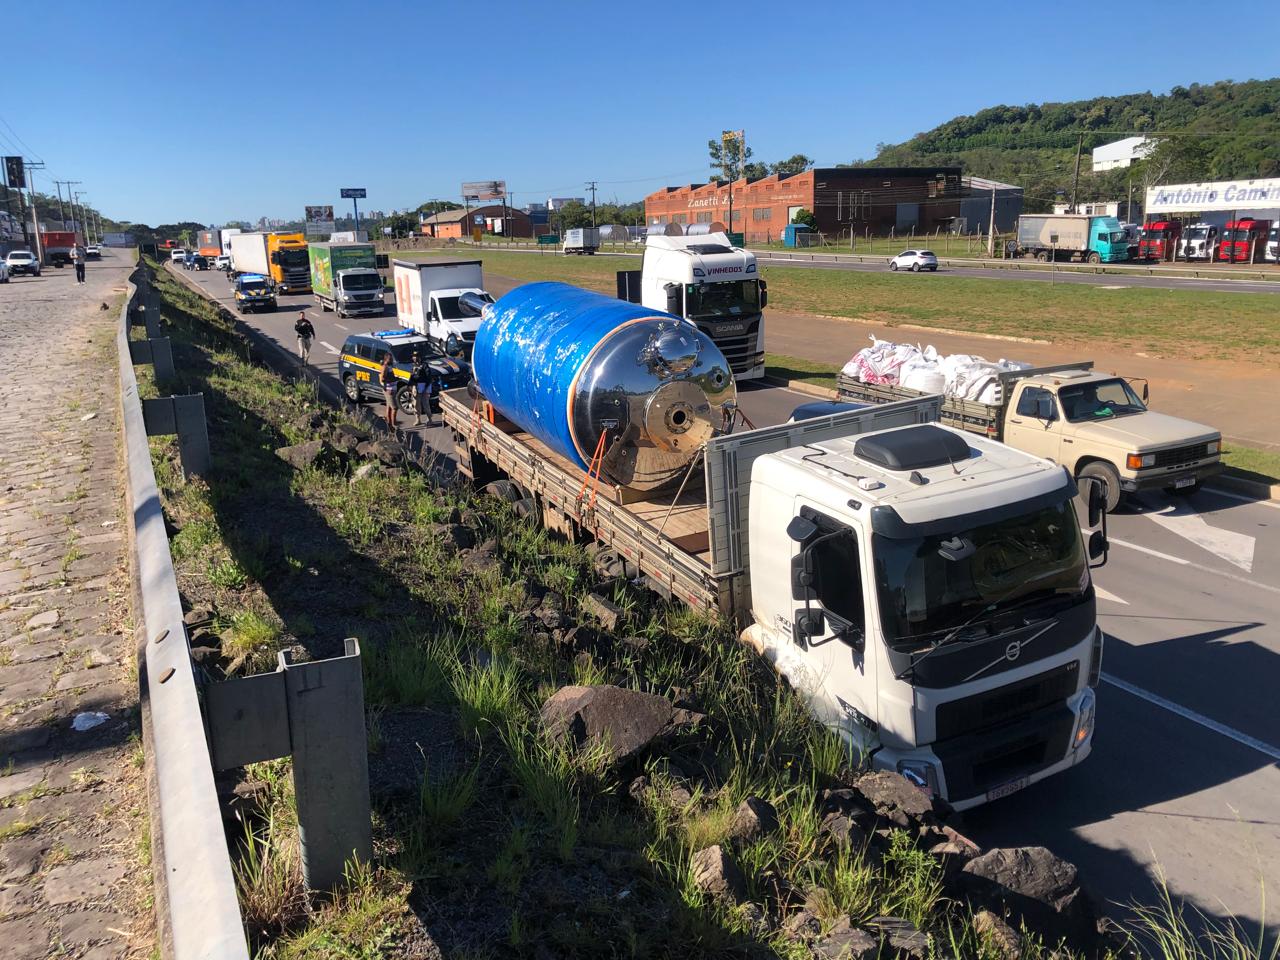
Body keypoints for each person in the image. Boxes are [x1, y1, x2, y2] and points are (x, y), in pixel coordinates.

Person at [379, 351, 398, 430]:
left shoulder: (389, 366)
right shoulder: (385, 367)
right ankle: (393, 424)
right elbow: (382, 378)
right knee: (395, 408)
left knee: (389, 407)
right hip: (389, 389)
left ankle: (389, 424)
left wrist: (395, 378)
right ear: (386, 359)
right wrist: (387, 386)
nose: (392, 360)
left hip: (392, 387)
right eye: (390, 359)